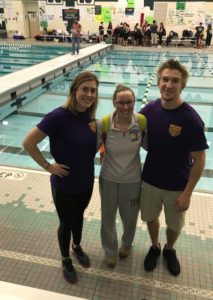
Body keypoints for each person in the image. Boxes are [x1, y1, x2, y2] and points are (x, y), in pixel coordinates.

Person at [22, 72, 99, 284]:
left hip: (86, 182)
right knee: (66, 222)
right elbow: (28, 142)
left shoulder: (91, 119)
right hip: (64, 184)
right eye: (85, 89)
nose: (89, 94)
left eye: (93, 90)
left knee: (80, 216)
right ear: (74, 90)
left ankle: (77, 246)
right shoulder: (58, 116)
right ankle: (66, 259)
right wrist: (48, 166)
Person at [139, 59, 208, 276]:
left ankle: (169, 249)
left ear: (182, 85)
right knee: (150, 218)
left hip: (177, 184)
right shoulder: (148, 110)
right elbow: (130, 135)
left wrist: (188, 193)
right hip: (150, 180)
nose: (169, 85)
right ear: (158, 82)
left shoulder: (191, 119)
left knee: (175, 225)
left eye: (175, 81)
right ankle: (155, 246)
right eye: (165, 79)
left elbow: (200, 159)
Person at [97, 85, 147, 268]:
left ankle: (126, 244)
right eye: (121, 102)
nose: (125, 107)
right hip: (108, 179)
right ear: (114, 103)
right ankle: (110, 251)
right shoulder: (104, 123)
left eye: (129, 102)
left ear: (134, 101)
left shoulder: (141, 122)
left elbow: (152, 146)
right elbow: (89, 149)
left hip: (132, 180)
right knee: (108, 217)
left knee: (130, 217)